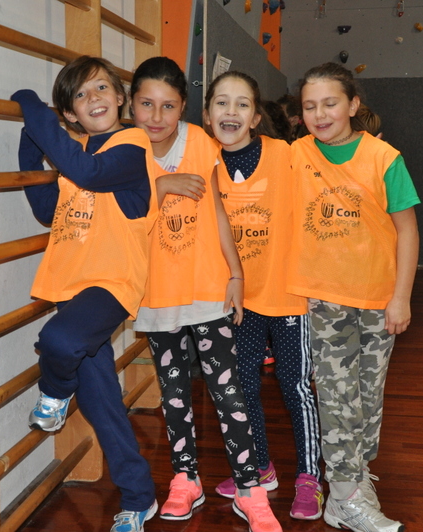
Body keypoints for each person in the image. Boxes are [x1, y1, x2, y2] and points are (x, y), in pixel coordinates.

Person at [129, 56, 283, 532]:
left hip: (206, 289)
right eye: (146, 104)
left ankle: (250, 488)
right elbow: (118, 217)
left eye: (168, 106)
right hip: (156, 294)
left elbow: (216, 208)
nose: (157, 116)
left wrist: (235, 274)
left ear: (184, 108)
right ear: (130, 105)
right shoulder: (121, 150)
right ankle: (186, 479)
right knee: (174, 394)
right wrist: (160, 185)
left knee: (229, 391)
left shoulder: (200, 141)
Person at [10, 55, 158, 532]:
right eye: (80, 94)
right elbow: (45, 208)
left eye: (101, 88)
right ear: (71, 114)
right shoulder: (77, 163)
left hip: (112, 285)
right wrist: (30, 143)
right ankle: (139, 498)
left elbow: (89, 173)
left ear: (121, 98)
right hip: (73, 287)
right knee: (100, 402)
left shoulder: (130, 146)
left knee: (59, 341)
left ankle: (54, 395)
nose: (93, 98)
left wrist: (32, 106)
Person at [288, 62, 420, 532]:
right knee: (337, 397)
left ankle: (356, 475)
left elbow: (407, 231)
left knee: (367, 396)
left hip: (378, 299)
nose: (320, 114)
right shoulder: (296, 154)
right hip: (324, 301)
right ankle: (343, 497)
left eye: (330, 103)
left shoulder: (384, 158)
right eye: (309, 106)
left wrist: (401, 297)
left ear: (353, 105)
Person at [203, 71, 325, 521]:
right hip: (239, 301)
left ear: (256, 117)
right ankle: (260, 468)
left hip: (288, 295)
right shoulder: (205, 163)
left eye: (242, 104)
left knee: (296, 387)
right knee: (243, 387)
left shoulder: (286, 155)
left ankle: (309, 478)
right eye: (221, 102)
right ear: (207, 114)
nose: (230, 112)